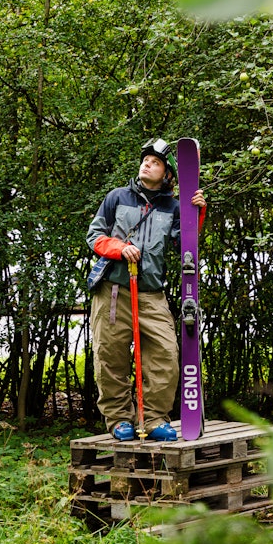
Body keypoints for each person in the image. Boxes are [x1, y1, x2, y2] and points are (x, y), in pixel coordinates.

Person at [86, 138, 206, 441]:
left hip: (152, 292)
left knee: (166, 356)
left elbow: (185, 244)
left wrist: (197, 214)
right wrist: (118, 247)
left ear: (168, 175)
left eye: (155, 162)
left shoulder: (174, 207)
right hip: (113, 291)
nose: (147, 163)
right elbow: (95, 236)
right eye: (145, 159)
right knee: (109, 357)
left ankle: (153, 419)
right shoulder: (117, 197)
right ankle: (118, 420)